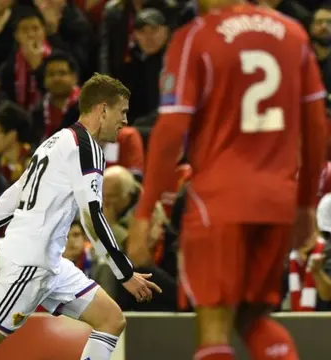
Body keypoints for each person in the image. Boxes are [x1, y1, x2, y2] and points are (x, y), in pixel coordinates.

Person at [0, 73, 161, 360]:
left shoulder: (55, 141)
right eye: (122, 112)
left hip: (51, 263)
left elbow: (13, 197)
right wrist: (125, 273)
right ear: (103, 109)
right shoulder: (88, 149)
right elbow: (92, 217)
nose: (125, 121)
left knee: (111, 320)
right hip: (30, 264)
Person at [127, 0, 327, 358]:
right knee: (253, 319)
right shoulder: (293, 34)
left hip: (217, 203)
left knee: (214, 328)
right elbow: (315, 130)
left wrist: (144, 212)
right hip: (276, 201)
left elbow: (171, 129)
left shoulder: (196, 37)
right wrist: (305, 206)